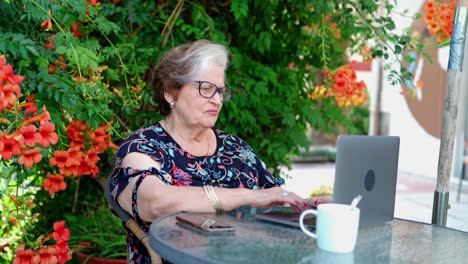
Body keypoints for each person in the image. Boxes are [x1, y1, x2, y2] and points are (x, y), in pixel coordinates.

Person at [109, 39, 312, 263]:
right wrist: (249, 196)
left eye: (221, 91)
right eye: (206, 89)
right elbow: (156, 203)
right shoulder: (144, 146)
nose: (217, 100)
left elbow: (274, 201)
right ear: (170, 92)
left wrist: (310, 206)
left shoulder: (235, 147)